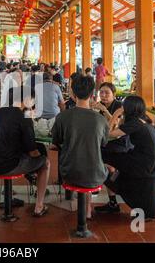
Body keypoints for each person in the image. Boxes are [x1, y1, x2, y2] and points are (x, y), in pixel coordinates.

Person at [0, 87, 50, 216]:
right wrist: (39, 159)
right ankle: (39, 206)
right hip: (5, 165)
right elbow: (32, 152)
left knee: (35, 151)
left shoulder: (0, 112)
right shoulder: (24, 116)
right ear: (26, 99)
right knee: (45, 163)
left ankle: (15, 192)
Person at [51, 75, 109, 219]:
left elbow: (56, 142)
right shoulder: (101, 120)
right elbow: (104, 144)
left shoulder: (62, 117)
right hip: (95, 174)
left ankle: (78, 203)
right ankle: (88, 208)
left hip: (68, 172)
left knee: (81, 163)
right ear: (92, 94)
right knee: (92, 162)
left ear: (73, 94)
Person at [96, 95, 155, 220]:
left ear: (129, 108)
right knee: (110, 157)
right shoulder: (142, 120)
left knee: (102, 154)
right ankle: (113, 182)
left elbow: (108, 134)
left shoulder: (135, 123)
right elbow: (120, 128)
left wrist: (115, 114)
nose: (122, 107)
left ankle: (105, 181)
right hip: (145, 159)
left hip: (141, 162)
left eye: (124, 105)